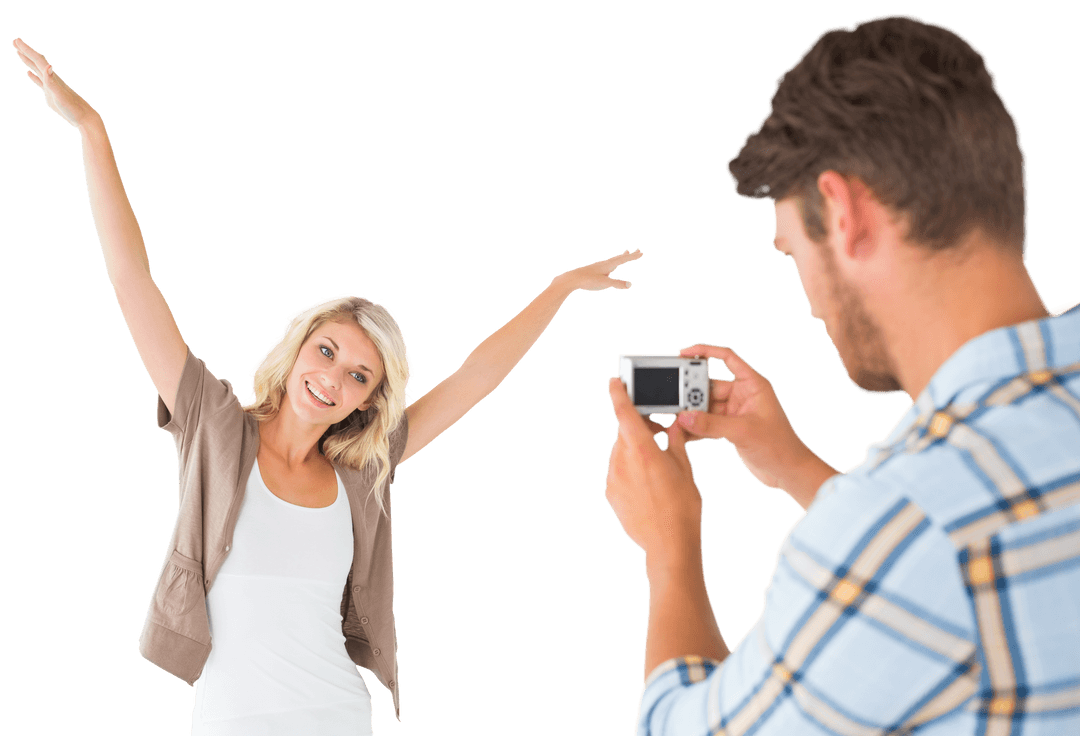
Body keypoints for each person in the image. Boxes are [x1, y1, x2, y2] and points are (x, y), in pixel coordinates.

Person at [12, 36, 641, 736]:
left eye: (358, 374)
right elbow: (133, 283)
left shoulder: (362, 470)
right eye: (327, 350)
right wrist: (92, 131)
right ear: (297, 347)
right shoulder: (213, 425)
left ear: (369, 398)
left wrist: (557, 291)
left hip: (339, 718)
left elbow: (475, 379)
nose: (332, 377)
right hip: (233, 721)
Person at [602, 14, 1080, 736]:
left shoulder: (901, 524)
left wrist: (670, 548)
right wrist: (793, 466)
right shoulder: (952, 503)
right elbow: (968, 564)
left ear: (842, 210)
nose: (812, 307)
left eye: (791, 252)